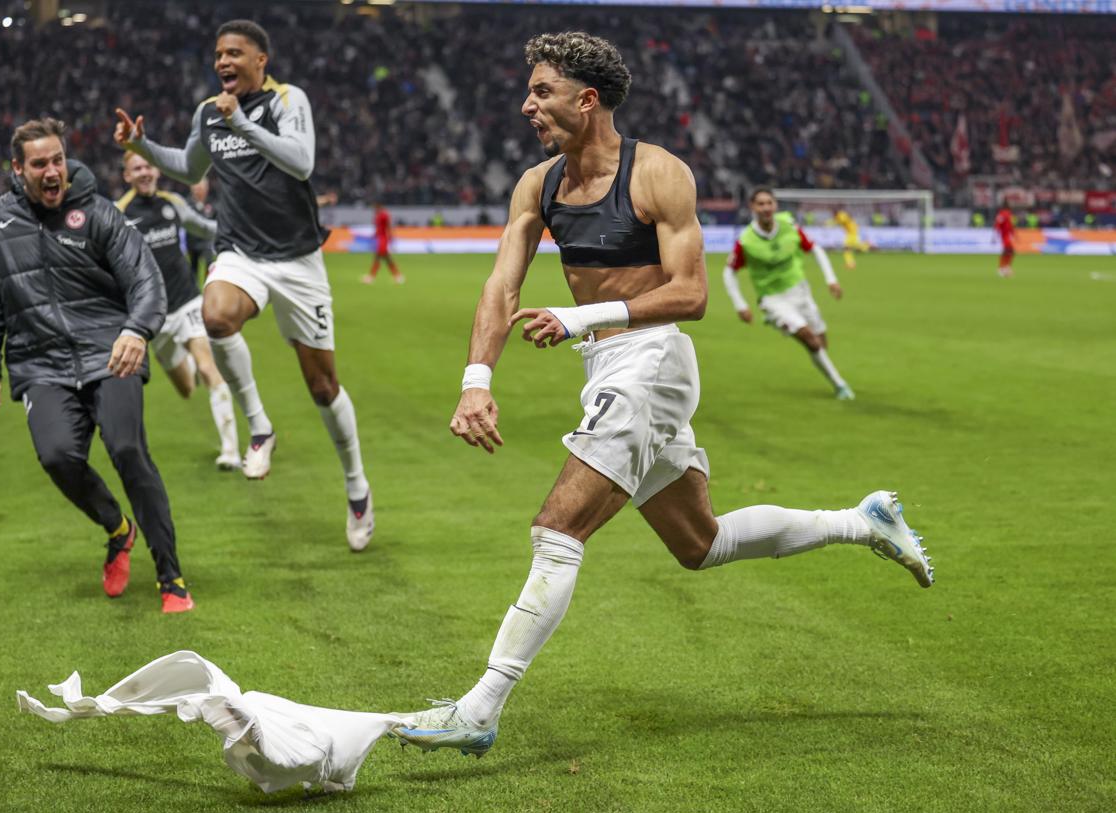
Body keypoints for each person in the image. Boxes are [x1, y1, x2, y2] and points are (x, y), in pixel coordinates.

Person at [390, 32, 933, 758]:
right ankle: (863, 522)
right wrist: (476, 380)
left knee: (558, 528)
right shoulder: (538, 183)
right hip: (606, 364)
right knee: (699, 542)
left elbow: (692, 293)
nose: (527, 105)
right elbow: (501, 286)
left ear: (588, 100)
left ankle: (480, 707)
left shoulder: (658, 174)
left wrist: (580, 316)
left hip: (652, 360)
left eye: (542, 91)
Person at [115, 19, 374, 551]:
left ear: (261, 60)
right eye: (217, 55)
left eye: (234, 53)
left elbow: (302, 164)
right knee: (215, 317)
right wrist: (143, 142)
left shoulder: (286, 100)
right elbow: (188, 169)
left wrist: (245, 126)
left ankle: (356, 487)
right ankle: (260, 428)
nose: (222, 63)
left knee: (324, 388)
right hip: (240, 253)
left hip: (299, 260)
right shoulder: (209, 112)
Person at [0, 118, 193, 613]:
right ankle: (117, 529)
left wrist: (136, 329)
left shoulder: (99, 213)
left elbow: (145, 280)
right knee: (55, 457)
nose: (53, 171)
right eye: (40, 164)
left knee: (128, 448)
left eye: (58, 160)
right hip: (40, 363)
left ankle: (170, 575)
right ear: (17, 169)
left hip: (110, 351)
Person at [115, 152, 240, 470]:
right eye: (137, 168)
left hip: (187, 301)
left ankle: (231, 450)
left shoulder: (172, 203)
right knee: (186, 388)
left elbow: (204, 228)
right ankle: (187, 359)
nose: (144, 172)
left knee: (210, 368)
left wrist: (240, 233)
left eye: (148, 166)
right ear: (127, 176)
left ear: (157, 171)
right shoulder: (119, 214)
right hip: (152, 315)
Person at [723, 189, 855, 400]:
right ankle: (840, 385)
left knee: (821, 343)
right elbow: (729, 271)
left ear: (775, 205)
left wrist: (831, 280)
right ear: (753, 207)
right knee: (810, 340)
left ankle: (832, 375)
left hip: (801, 292)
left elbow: (816, 249)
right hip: (772, 300)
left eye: (769, 203)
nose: (766, 208)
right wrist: (740, 304)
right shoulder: (746, 240)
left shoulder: (789, 226)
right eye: (761, 204)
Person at [361, 202, 403, 284]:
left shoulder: (384, 215)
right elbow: (378, 228)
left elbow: (388, 226)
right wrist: (374, 235)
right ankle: (397, 276)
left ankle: (371, 277)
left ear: (378, 207)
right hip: (380, 239)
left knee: (378, 257)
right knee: (386, 258)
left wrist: (390, 237)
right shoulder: (378, 216)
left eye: (374, 208)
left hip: (384, 239)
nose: (373, 210)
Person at [186, 177, 217, 282]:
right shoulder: (187, 204)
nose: (198, 190)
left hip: (207, 244)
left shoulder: (212, 203)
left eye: (201, 187)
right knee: (193, 268)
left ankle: (208, 283)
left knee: (209, 264)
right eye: (196, 187)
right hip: (192, 243)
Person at [995, 206, 1015, 278]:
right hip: (1004, 236)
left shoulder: (1004, 215)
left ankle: (1005, 267)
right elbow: (998, 225)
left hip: (1007, 236)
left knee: (1010, 251)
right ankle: (1002, 268)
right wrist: (995, 235)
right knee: (1008, 250)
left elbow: (1010, 226)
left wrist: (1013, 233)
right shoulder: (1003, 215)